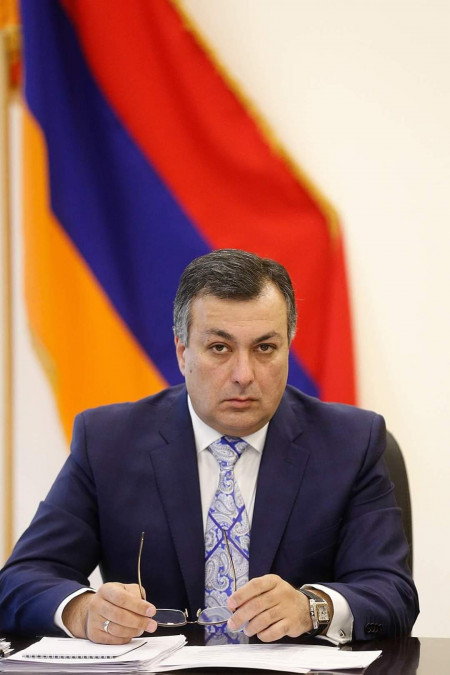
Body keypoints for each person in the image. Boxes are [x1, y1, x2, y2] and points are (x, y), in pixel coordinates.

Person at [0, 249, 418, 645]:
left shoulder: (351, 442)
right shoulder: (109, 441)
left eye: (265, 348)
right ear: (183, 353)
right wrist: (83, 611)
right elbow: (20, 581)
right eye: (220, 348)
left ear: (288, 349)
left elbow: (392, 594)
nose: (243, 374)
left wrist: (313, 607)